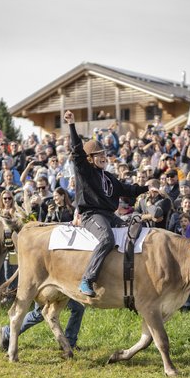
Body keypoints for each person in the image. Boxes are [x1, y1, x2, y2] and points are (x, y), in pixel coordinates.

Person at [64, 110, 148, 297]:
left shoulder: (109, 177)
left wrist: (147, 188)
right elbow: (77, 151)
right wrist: (71, 124)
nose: (103, 156)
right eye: (98, 154)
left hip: (110, 215)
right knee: (107, 239)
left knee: (136, 226)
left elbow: (127, 190)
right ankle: (87, 279)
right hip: (91, 215)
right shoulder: (84, 171)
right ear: (89, 159)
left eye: (104, 153)